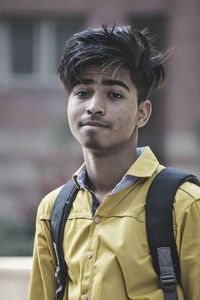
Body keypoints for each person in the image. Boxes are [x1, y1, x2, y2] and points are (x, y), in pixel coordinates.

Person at [28, 25, 200, 300]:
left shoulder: (184, 205)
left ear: (142, 113)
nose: (94, 106)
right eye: (82, 92)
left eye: (115, 94)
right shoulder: (54, 209)